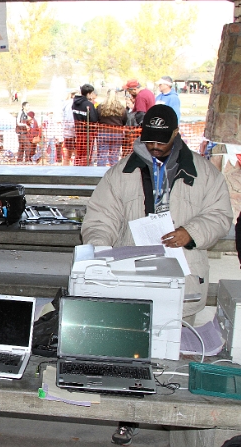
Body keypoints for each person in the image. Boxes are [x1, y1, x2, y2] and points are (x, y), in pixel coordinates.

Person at [80, 105, 233, 445]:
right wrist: (100, 252)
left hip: (184, 279)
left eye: (162, 141)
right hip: (133, 276)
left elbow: (222, 215)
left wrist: (190, 231)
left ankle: (177, 418)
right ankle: (129, 416)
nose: (155, 146)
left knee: (173, 357)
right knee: (131, 353)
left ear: (177, 134)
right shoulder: (120, 173)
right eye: (150, 140)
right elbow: (101, 218)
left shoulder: (205, 173)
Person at [96, 89, 127, 167]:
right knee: (114, 156)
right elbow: (125, 120)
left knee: (102, 155)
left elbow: (97, 118)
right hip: (117, 133)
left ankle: (99, 174)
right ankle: (114, 174)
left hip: (103, 132)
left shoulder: (101, 106)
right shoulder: (122, 108)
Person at [71, 84, 98, 166]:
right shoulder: (89, 105)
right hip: (87, 133)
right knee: (86, 154)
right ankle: (84, 170)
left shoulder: (74, 104)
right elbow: (94, 119)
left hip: (78, 132)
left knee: (79, 153)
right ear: (89, 93)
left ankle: (78, 168)